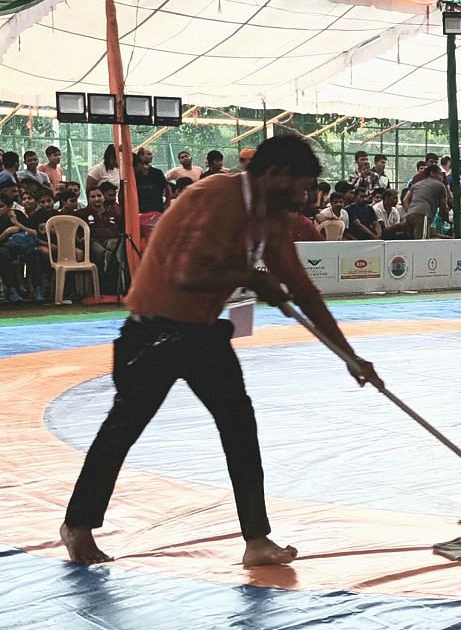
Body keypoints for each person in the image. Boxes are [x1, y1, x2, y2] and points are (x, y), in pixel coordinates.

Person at [62, 135, 377, 566]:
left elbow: (302, 289)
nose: (305, 198)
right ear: (275, 175)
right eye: (301, 187)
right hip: (155, 329)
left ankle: (257, 539)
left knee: (240, 427)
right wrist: (257, 278)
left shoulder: (270, 216)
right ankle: (78, 525)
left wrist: (349, 356)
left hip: (203, 331)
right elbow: (188, 272)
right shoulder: (212, 196)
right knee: (124, 428)